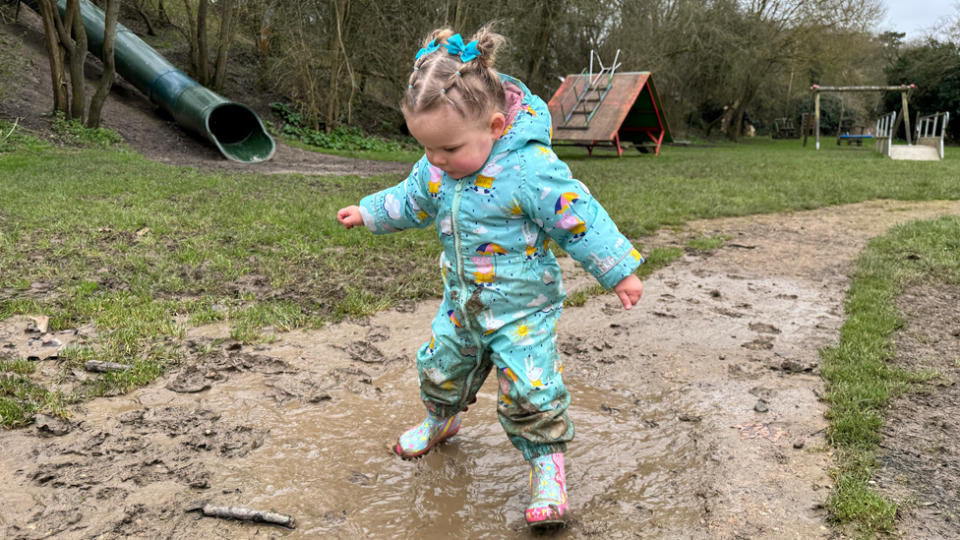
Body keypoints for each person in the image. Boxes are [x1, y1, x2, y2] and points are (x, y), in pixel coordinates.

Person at [336, 25, 644, 527]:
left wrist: (619, 272)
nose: (436, 162)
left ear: (497, 126)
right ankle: (442, 420)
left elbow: (578, 217)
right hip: (463, 303)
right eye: (427, 149)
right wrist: (370, 212)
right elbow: (410, 198)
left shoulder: (528, 169)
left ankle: (547, 466)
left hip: (521, 311)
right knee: (439, 365)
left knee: (530, 387)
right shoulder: (438, 165)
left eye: (449, 150)